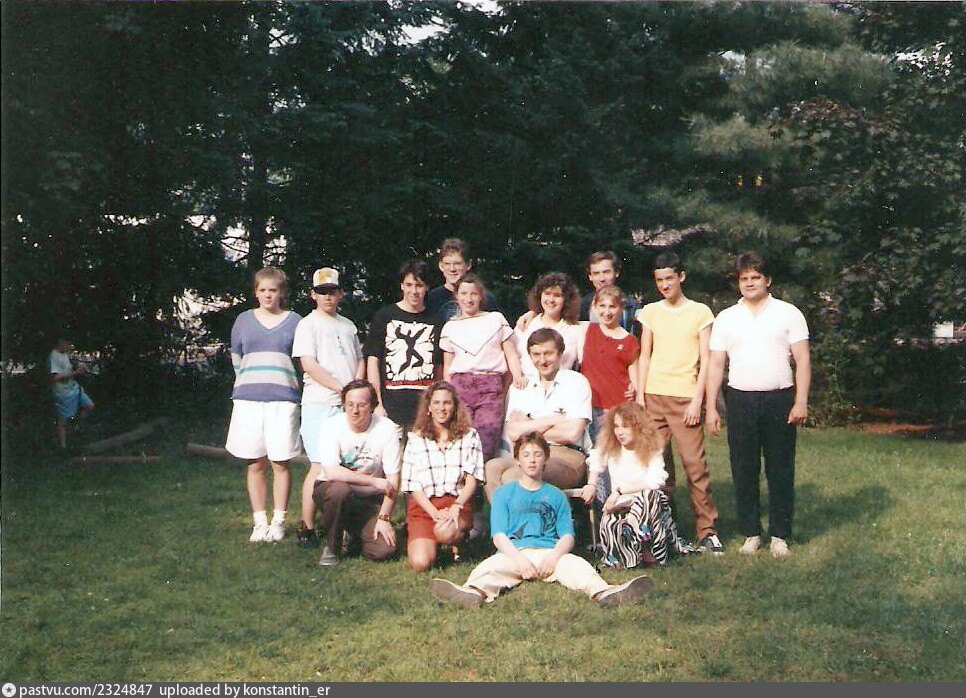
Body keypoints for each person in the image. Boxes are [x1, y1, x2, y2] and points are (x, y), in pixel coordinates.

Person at [430, 432, 653, 608]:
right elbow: (499, 536)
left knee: (577, 566)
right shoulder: (504, 494)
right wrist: (518, 560)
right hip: (514, 553)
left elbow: (567, 536)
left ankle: (604, 592)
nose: (532, 460)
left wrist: (554, 557)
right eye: (526, 455)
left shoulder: (555, 495)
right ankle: (472, 592)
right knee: (489, 568)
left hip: (549, 553)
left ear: (546, 459)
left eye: (537, 454)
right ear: (517, 460)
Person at [706, 252, 811, 559]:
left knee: (780, 468)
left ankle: (779, 535)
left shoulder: (788, 313)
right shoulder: (726, 317)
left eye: (755, 277)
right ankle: (751, 532)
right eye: (744, 278)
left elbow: (803, 360)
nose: (749, 283)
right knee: (744, 469)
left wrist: (800, 401)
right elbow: (715, 365)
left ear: (768, 280)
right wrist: (711, 407)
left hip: (779, 399)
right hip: (740, 400)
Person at [635, 252, 724, 555]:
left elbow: (707, 359)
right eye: (659, 280)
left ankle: (707, 531)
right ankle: (665, 529)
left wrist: (697, 401)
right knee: (658, 467)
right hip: (653, 397)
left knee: (695, 467)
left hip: (685, 398)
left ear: (681, 277)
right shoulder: (650, 312)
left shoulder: (700, 312)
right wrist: (640, 396)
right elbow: (644, 355)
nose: (664, 285)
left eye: (669, 279)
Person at [226, 267, 302, 543]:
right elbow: (237, 358)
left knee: (280, 462)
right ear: (255, 292)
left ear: (282, 293)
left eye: (273, 290)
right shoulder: (243, 320)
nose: (268, 295)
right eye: (263, 290)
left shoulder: (295, 321)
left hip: (283, 399)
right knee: (254, 462)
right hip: (248, 400)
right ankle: (260, 522)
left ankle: (278, 521)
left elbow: (301, 362)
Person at [291, 267, 366, 548]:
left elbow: (359, 358)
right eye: (321, 292)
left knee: (347, 463)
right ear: (313, 295)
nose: (327, 297)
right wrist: (340, 388)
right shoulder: (307, 325)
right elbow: (309, 364)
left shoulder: (347, 325)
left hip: (347, 405)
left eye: (332, 291)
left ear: (340, 294)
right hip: (320, 404)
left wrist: (355, 388)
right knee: (320, 465)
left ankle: (345, 526)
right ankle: (307, 526)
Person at [580, 403, 697, 569]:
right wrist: (591, 484)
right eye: (616, 426)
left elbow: (655, 481)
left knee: (649, 496)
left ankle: (647, 546)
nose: (619, 432)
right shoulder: (612, 446)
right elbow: (596, 460)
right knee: (611, 520)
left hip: (648, 504)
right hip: (621, 503)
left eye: (625, 426)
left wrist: (619, 491)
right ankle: (628, 554)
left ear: (638, 427)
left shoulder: (652, 448)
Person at [483, 328, 591, 501]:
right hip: (527, 453)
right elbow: (513, 433)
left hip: (566, 456)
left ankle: (518, 518)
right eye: (536, 354)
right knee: (492, 468)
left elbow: (572, 433)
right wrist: (552, 420)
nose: (542, 360)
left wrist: (528, 425)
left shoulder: (576, 382)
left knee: (513, 477)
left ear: (560, 353)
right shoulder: (522, 386)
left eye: (548, 353)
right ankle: (502, 518)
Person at [312, 379, 401, 566]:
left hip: (369, 499)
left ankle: (354, 533)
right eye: (350, 404)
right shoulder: (331, 426)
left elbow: (393, 480)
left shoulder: (387, 428)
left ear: (372, 406)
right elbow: (331, 472)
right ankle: (332, 546)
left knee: (384, 550)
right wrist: (373, 482)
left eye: (361, 405)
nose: (355, 411)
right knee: (340, 490)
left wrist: (383, 518)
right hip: (332, 491)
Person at [441, 273, 527, 460]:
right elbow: (448, 365)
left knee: (487, 434)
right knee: (460, 435)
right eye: (463, 293)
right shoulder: (450, 327)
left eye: (473, 294)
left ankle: (482, 474)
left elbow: (511, 353)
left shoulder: (495, 319)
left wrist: (518, 375)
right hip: (460, 386)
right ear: (457, 296)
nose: (468, 299)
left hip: (489, 386)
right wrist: (448, 393)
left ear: (481, 296)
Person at [401, 382, 486, 571]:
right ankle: (436, 548)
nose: (442, 408)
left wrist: (456, 506)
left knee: (445, 532)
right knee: (420, 563)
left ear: (454, 406)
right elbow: (413, 486)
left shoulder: (469, 436)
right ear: (429, 408)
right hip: (425, 507)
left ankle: (459, 541)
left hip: (456, 503)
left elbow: (472, 480)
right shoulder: (416, 439)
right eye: (437, 403)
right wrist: (433, 513)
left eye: (447, 403)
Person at [364, 259, 443, 432]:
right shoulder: (385, 316)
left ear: (427, 287)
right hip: (390, 409)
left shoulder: (436, 321)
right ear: (401, 286)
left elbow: (439, 367)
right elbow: (373, 361)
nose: (414, 291)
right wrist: (377, 403)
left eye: (419, 285)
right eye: (409, 285)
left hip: (424, 411)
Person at [579, 285, 640, 442]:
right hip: (589, 405)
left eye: (612, 306)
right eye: (602, 306)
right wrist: (530, 314)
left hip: (616, 407)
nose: (607, 312)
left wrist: (634, 388)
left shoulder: (630, 341)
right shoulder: (586, 330)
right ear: (595, 307)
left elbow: (635, 376)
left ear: (621, 308)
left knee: (613, 450)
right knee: (593, 451)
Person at [514, 272, 587, 377]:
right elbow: (513, 358)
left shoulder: (575, 330)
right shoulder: (526, 325)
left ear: (566, 300)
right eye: (547, 294)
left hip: (561, 384)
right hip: (527, 383)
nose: (551, 300)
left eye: (557, 295)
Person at [426, 238, 500, 321]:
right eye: (447, 264)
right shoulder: (433, 297)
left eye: (457, 264)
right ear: (441, 266)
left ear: (468, 265)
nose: (452, 269)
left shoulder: (484, 297)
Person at [578, 251, 641, 335]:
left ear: (616, 273)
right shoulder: (582, 305)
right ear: (590, 276)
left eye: (606, 272)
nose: (602, 279)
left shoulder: (632, 305)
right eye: (596, 273)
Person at [49, 338, 95, 450]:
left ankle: (76, 426)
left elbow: (70, 364)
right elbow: (56, 377)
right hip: (63, 392)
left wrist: (79, 366)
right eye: (68, 344)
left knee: (89, 405)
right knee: (62, 421)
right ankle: (63, 447)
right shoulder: (53, 356)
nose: (70, 346)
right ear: (61, 342)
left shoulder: (64, 353)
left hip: (74, 388)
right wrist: (75, 373)